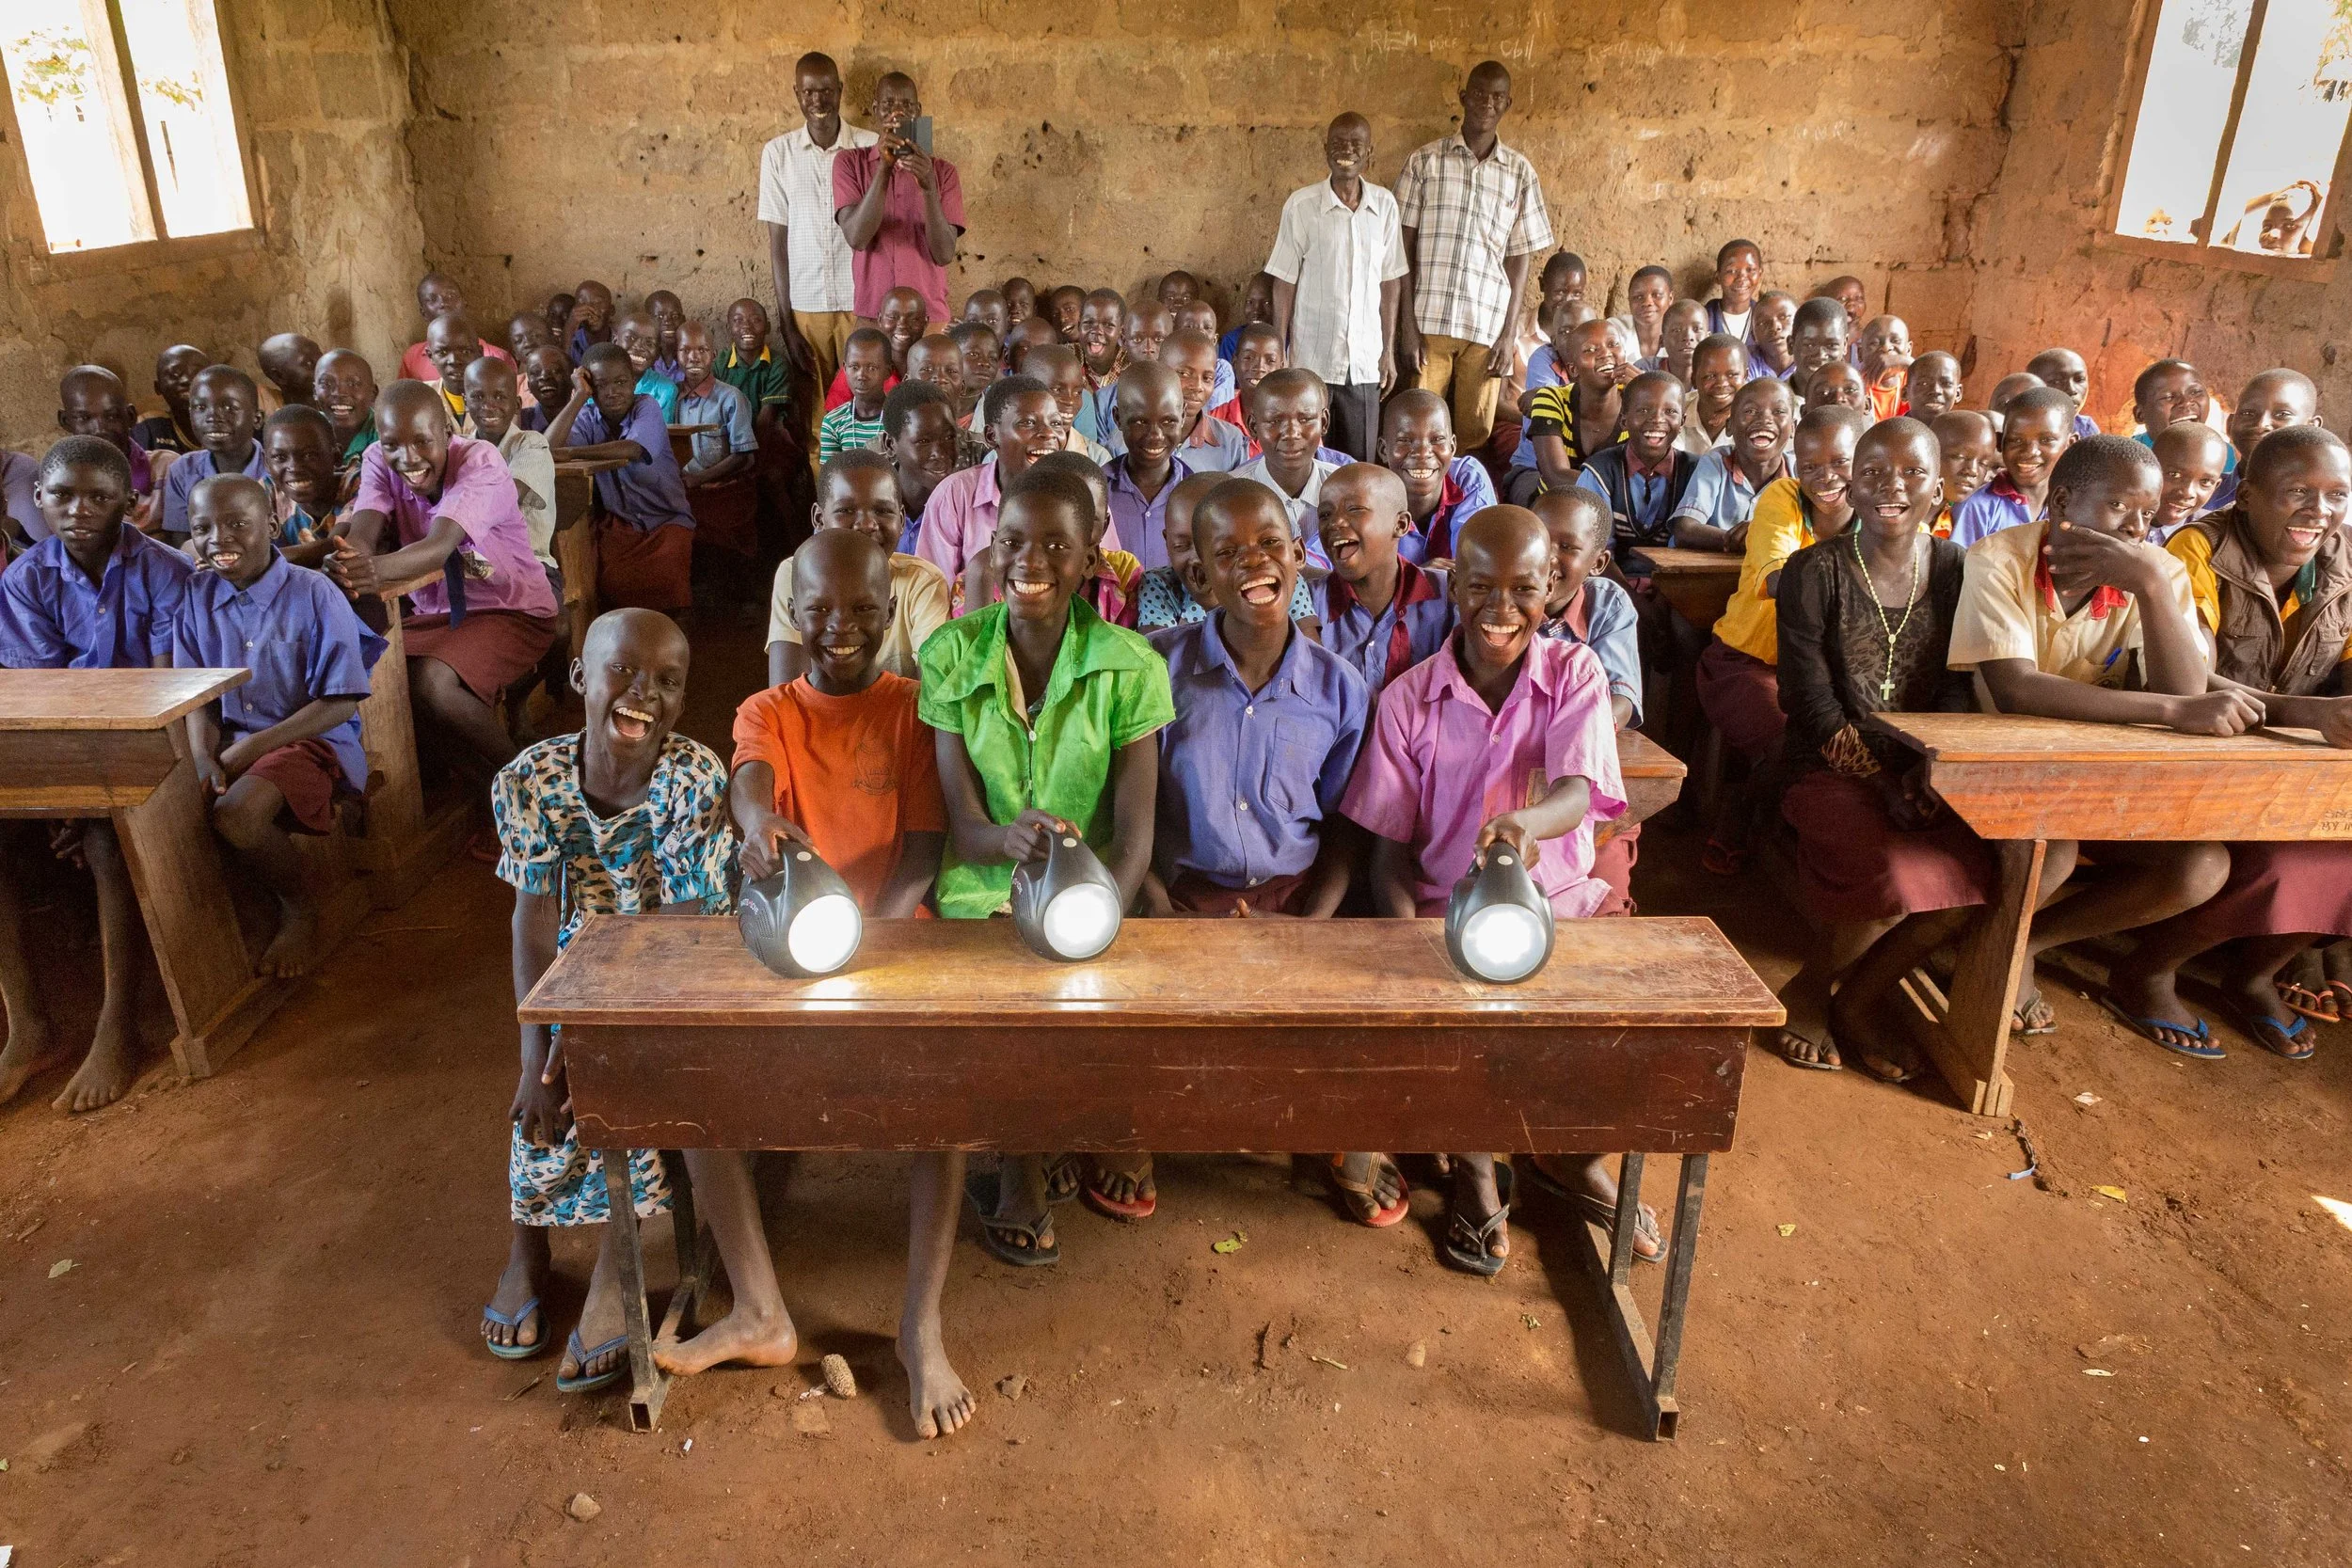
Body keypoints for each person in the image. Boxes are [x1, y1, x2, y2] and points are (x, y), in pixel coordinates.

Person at [1342, 505, 1649, 1273]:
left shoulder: (1575, 673)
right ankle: (1477, 1166)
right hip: (1450, 912)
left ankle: (1569, 1157)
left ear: (1552, 585)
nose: (1501, 609)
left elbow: (1579, 789)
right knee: (1468, 1024)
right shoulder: (1408, 700)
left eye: (1523, 589)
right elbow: (1387, 850)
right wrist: (1407, 940)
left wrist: (1525, 822)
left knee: (1609, 1023)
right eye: (1480, 587)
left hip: (1560, 899)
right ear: (1454, 586)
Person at [712, 528, 969, 1433]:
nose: (841, 629)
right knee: (697, 1099)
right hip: (795, 944)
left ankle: (920, 1321)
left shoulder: (915, 706)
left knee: (943, 1118)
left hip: (892, 940)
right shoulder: (769, 708)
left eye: (863, 610)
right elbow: (751, 783)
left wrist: (877, 944)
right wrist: (757, 823)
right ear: (795, 612)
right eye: (819, 611)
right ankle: (756, 1302)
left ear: (891, 611)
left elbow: (925, 852)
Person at [920, 467, 1170, 1262]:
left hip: (1094, 887)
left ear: (1091, 559)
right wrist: (1011, 843)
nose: (1032, 560)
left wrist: (1097, 914)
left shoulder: (1129, 664)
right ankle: (1022, 1159)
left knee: (1098, 973)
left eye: (1057, 545)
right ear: (992, 551)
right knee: (998, 983)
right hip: (988, 880)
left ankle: (1091, 1126)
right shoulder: (952, 653)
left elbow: (1133, 834)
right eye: (1016, 542)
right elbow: (963, 821)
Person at [482, 609, 734, 1394]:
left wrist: (604, 1025)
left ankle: (616, 1266)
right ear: (580, 677)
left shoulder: (694, 777)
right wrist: (539, 1043)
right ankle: (529, 1247)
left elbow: (690, 927)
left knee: (638, 1089)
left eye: (666, 682)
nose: (643, 693)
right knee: (543, 1090)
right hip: (577, 973)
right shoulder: (531, 781)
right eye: (623, 671)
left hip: (675, 969)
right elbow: (534, 917)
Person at [1948, 436, 2251, 1038]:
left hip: (2103, 778)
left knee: (2201, 867)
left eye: (2148, 511)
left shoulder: (2153, 572)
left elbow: (2192, 691)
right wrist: (2166, 711)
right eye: (2120, 508)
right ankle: (1979, 956)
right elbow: (2018, 691)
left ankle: (2029, 944)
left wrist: (2156, 589)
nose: (2138, 527)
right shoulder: (1998, 559)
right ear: (2062, 501)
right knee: (2051, 852)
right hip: (2004, 771)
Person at [2103, 426, 2352, 1059]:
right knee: (2258, 861)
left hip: (2285, 776)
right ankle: (2150, 968)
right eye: (2297, 491)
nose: (2318, 511)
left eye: (2335, 496)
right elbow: (2191, 682)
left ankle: (2253, 975)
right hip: (2191, 764)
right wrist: (2311, 713)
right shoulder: (2198, 550)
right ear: (2247, 496)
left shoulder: (2344, 564)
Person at [1770, 419, 1992, 1075]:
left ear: (1939, 490)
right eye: (1871, 474)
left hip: (1925, 766)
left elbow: (1959, 683)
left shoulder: (1957, 569)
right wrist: (1881, 780)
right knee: (1892, 874)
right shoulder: (1815, 569)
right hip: (1825, 762)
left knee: (1977, 877)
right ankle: (1810, 984)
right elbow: (1807, 700)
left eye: (1912, 474)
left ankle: (1863, 997)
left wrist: (1928, 772)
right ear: (1848, 483)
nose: (1891, 487)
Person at [0, 437, 195, 1113]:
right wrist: (65, 799)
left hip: (152, 750)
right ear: (38, 500)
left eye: (98, 497)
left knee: (110, 838)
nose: (78, 510)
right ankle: (29, 1022)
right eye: (61, 496)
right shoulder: (26, 581)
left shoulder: (165, 570)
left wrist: (90, 804)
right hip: (68, 752)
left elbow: (172, 692)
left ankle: (119, 1021)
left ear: (129, 503)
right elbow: (40, 696)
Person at [175, 474, 381, 977]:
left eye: (236, 524)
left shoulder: (314, 594)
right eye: (202, 528)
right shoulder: (196, 597)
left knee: (237, 815)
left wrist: (246, 753)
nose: (218, 539)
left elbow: (340, 701)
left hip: (311, 741)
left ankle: (300, 904)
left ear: (271, 523)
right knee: (169, 811)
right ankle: (221, 933)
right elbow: (196, 701)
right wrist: (204, 758)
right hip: (230, 742)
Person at [332, 382, 562, 800]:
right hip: (436, 615)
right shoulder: (377, 461)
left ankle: (526, 792)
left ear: (447, 432)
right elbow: (364, 528)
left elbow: (439, 547)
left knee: (431, 684)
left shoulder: (482, 463)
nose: (408, 458)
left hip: (511, 609)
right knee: (376, 675)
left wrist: (368, 570)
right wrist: (350, 560)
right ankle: (476, 787)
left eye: (422, 441)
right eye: (392, 444)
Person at [1697, 404, 1868, 874]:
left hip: (1827, 673)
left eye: (1841, 462)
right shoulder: (1783, 499)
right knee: (1789, 737)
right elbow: (1779, 581)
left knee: (1865, 741)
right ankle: (1740, 812)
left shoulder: (1881, 514)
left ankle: (1798, 837)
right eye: (1810, 465)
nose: (1825, 477)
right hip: (1746, 662)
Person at [1393, 61, 1554, 451]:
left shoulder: (1519, 173)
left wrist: (1507, 334)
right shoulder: (1425, 161)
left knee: (1474, 433)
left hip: (1486, 328)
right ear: (1464, 97)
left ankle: (1467, 505)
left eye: (1497, 97)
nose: (1487, 103)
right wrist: (1407, 326)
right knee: (1419, 425)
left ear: (1508, 104)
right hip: (1429, 319)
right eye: (1479, 94)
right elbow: (1400, 248)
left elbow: (1520, 259)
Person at [1267, 111, 1406, 465]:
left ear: (1369, 152)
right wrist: (1280, 350)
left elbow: (1391, 280)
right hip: (1311, 361)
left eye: (1356, 144)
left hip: (1364, 364)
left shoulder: (1385, 207)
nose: (1347, 151)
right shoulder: (1302, 206)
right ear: (1324, 150)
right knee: (1309, 461)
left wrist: (1388, 350)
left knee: (1359, 464)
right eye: (1338, 143)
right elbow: (1284, 280)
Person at [1532, 487, 1645, 913]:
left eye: (1567, 547)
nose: (1548, 558)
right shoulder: (1499, 593)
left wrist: (1570, 727)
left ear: (1597, 562)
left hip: (1591, 780)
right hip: (1509, 780)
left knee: (1605, 898)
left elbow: (1621, 701)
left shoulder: (1607, 604)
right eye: (1540, 540)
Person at [760, 51, 877, 432]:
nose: (818, 100)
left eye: (826, 90)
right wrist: (786, 324)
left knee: (868, 411)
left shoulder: (870, 146)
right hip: (807, 306)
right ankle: (823, 492)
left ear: (840, 91)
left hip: (860, 301)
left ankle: (866, 489)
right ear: (796, 94)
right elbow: (778, 241)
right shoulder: (778, 154)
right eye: (808, 92)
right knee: (817, 419)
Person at [771, 450, 951, 686]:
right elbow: (787, 694)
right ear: (818, 518)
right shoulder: (796, 573)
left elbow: (936, 692)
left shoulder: (922, 582)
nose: (866, 524)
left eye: (883, 511)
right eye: (846, 510)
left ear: (901, 519)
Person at [546, 346, 700, 614]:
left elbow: (631, 448)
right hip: (622, 524)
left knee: (669, 583)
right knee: (611, 582)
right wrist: (579, 397)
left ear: (634, 382)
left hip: (666, 519)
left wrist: (571, 452)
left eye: (620, 382)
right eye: (601, 384)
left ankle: (674, 639)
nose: (612, 391)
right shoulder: (587, 417)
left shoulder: (646, 407)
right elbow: (544, 449)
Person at [1312, 462, 1454, 709]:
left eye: (1354, 509)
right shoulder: (1309, 606)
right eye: (1325, 514)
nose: (1334, 523)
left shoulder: (1447, 596)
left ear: (1400, 525)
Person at [834, 72, 964, 327]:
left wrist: (928, 188)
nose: (897, 113)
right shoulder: (849, 163)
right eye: (887, 105)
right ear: (875, 111)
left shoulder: (943, 172)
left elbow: (944, 253)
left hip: (927, 317)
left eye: (906, 106)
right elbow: (857, 237)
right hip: (874, 315)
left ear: (918, 112)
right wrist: (884, 167)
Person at [914, 374, 1068, 584]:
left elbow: (1106, 584)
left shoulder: (1082, 496)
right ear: (991, 436)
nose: (1049, 433)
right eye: (1028, 423)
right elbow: (934, 591)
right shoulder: (954, 496)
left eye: (1056, 423)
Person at [1136, 469, 1317, 632]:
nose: (1198, 558)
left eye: (1225, 550)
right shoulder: (1160, 585)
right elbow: (1156, 660)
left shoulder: (1279, 581)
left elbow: (1309, 657)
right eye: (1182, 546)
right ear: (1167, 543)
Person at [1574, 371, 1694, 562]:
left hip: (1674, 583)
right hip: (1612, 582)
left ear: (1682, 422)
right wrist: (1630, 592)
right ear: (1624, 421)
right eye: (1643, 410)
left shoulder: (1694, 472)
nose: (1657, 419)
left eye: (1670, 411)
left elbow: (1690, 550)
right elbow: (1594, 553)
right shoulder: (1600, 472)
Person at [463, 356, 559, 593]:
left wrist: (454, 518)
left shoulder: (531, 444)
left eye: (499, 397)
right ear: (465, 402)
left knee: (502, 604)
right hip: (475, 563)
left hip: (529, 564)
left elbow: (507, 496)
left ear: (517, 404)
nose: (488, 405)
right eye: (477, 397)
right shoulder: (460, 449)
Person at [1230, 369, 1339, 563]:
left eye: (1304, 419)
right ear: (1253, 427)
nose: (1291, 433)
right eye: (1275, 421)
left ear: (1324, 422)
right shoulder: (1230, 497)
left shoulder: (1346, 489)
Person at [1378, 388, 1495, 562]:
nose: (1423, 453)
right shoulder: (1371, 499)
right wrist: (1420, 578)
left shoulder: (1467, 478)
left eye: (1437, 439)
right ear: (1383, 450)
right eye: (1405, 440)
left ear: (1453, 446)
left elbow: (1475, 565)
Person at [1950, 385, 2075, 546]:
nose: (2030, 452)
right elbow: (1959, 567)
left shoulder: (2075, 504)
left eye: (2046, 440)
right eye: (2016, 440)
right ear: (2001, 442)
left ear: (2070, 444)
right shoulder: (1978, 507)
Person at [56, 364, 169, 537]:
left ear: (130, 416)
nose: (99, 429)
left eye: (111, 416)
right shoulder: (58, 483)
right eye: (84, 418)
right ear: (65, 421)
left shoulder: (167, 470)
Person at [1518, 314, 1622, 500]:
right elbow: (1556, 475)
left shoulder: (1636, 402)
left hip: (1618, 514)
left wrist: (1644, 389)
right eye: (1590, 349)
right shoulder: (1550, 399)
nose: (1605, 353)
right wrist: (1617, 492)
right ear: (1573, 369)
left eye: (1613, 344)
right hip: (1558, 508)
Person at [158, 364, 265, 544]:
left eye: (230, 407)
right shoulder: (183, 470)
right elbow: (182, 546)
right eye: (200, 407)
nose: (213, 417)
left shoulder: (276, 469)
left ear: (257, 419)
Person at [2209, 368, 2321, 514]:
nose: (2261, 425)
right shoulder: (2197, 496)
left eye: (2282, 414)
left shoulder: (2329, 508)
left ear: (2311, 428)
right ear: (2229, 424)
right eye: (2248, 413)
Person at [258, 404, 349, 567]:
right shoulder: (263, 494)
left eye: (309, 455)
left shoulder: (356, 485)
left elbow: (336, 545)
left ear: (336, 456)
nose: (295, 468)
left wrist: (255, 561)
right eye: (279, 457)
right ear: (266, 462)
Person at [878, 380, 964, 550]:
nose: (939, 452)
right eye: (923, 441)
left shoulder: (966, 508)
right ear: (890, 445)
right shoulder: (868, 508)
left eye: (949, 437)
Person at [675, 323, 759, 491]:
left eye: (702, 350)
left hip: (725, 490)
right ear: (676, 354)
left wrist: (698, 479)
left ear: (714, 355)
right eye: (685, 350)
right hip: (685, 491)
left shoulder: (730, 398)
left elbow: (743, 456)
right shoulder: (674, 397)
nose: (694, 357)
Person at [399, 273, 511, 385]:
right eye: (433, 299)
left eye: (451, 296)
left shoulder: (498, 357)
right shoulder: (413, 358)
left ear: (464, 303)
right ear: (423, 312)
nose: (443, 303)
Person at [2149, 420, 2233, 544]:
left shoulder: (2217, 537)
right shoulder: (2114, 523)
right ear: (2148, 469)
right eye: (2174, 474)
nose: (2188, 492)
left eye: (2205, 481)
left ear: (2216, 486)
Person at [818, 328, 895, 460]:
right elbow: (829, 477)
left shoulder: (900, 418)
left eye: (871, 368)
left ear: (888, 371)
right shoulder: (833, 422)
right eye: (854, 367)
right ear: (845, 368)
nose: (861, 376)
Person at [1929, 410, 1999, 537]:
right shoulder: (1893, 517)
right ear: (1928, 453)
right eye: (1959, 456)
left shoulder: (1953, 523)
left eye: (1983, 463)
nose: (1972, 470)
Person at [1676, 333, 1747, 457]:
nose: (1721, 384)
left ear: (1745, 376)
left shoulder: (1758, 418)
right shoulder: (1676, 411)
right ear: (1693, 379)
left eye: (1732, 375)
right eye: (1710, 376)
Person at [313, 349, 380, 472]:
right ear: (315, 392)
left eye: (353, 384)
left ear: (373, 393)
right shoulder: (306, 432)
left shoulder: (386, 437)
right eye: (327, 384)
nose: (339, 393)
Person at [135, 343, 207, 455]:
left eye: (197, 373)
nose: (186, 380)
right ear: (158, 388)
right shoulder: (148, 428)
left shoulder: (230, 426)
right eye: (175, 374)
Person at [612, 309, 680, 421]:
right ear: (615, 342)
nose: (639, 346)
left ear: (658, 354)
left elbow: (658, 434)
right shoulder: (599, 382)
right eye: (631, 338)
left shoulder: (665, 390)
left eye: (649, 343)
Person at [422, 309, 487, 428]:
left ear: (479, 353)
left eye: (465, 351)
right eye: (442, 352)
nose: (454, 361)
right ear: (430, 356)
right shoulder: (420, 399)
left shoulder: (497, 398)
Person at [1611, 264, 1675, 367]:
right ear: (1629, 300)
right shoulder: (1613, 331)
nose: (1647, 302)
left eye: (1656, 295)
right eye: (1638, 297)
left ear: (1670, 298)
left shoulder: (1683, 335)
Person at [2027, 348, 2099, 439]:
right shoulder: (2018, 428)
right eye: (2057, 381)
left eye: (2079, 379)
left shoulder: (2085, 428)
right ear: (2033, 388)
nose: (2072, 389)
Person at [1705, 240, 1764, 342]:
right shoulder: (1703, 320)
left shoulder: (1765, 320)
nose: (1741, 278)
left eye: (1750, 270)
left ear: (1760, 274)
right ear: (1718, 277)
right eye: (1732, 271)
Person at [1858, 316, 1914, 420]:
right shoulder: (1855, 387)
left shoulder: (1915, 381)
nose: (1886, 348)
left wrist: (1909, 363)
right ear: (1860, 353)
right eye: (1875, 343)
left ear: (1909, 349)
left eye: (1896, 341)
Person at [257, 332, 321, 413]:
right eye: (308, 364)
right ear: (279, 376)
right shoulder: (271, 416)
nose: (321, 366)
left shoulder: (337, 409)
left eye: (321, 358)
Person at [1655, 298, 1708, 388]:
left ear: (1708, 337)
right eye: (1677, 330)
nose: (1688, 337)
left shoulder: (1717, 377)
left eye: (1697, 329)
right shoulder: (1645, 370)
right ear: (1662, 341)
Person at [1903, 351, 1964, 423]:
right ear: (1905, 393)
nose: (1936, 391)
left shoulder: (1964, 433)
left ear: (1958, 394)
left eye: (1946, 383)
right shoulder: (1890, 433)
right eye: (1924, 383)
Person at [566, 279, 616, 364]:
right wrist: (570, 327)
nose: (590, 310)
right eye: (583, 303)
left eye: (598, 303)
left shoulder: (621, 339)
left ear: (612, 310)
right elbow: (563, 369)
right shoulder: (572, 339)